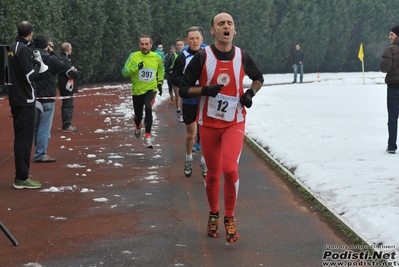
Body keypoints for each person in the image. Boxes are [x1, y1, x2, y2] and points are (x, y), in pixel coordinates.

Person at [179, 13, 264, 243]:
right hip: (208, 124)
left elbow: (259, 78)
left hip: (234, 121)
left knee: (230, 170)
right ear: (213, 31)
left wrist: (250, 93)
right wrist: (205, 90)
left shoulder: (242, 56)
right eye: (221, 23)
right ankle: (214, 213)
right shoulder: (202, 57)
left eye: (230, 23)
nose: (226, 26)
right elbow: (184, 90)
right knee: (214, 175)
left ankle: (229, 218)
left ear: (234, 31)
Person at [7, 21, 42, 189]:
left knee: (20, 137)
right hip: (26, 99)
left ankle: (21, 175)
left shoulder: (12, 47)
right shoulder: (23, 49)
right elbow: (29, 76)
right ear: (30, 34)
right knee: (24, 140)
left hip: (16, 98)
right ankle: (21, 177)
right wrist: (36, 65)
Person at [172, 26, 207, 178]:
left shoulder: (208, 53)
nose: (194, 41)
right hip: (190, 99)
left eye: (197, 38)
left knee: (206, 134)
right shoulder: (182, 56)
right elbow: (175, 78)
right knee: (191, 134)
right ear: (187, 41)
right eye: (191, 39)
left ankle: (204, 161)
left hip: (205, 98)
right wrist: (188, 82)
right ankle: (188, 158)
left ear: (202, 39)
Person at [122, 35, 164, 148]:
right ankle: (137, 126)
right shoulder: (133, 56)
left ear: (151, 45)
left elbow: (161, 69)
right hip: (137, 91)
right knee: (138, 116)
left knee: (148, 107)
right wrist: (136, 67)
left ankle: (148, 136)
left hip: (151, 89)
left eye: (146, 44)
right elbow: (124, 72)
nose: (144, 47)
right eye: (142, 44)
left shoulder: (157, 57)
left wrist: (159, 82)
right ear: (139, 45)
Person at [33, 35, 66, 162]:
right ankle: (40, 154)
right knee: (44, 127)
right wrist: (53, 52)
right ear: (47, 45)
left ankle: (39, 148)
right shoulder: (50, 58)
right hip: (47, 96)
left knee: (36, 126)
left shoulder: (29, 55)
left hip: (34, 95)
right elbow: (62, 65)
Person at [380, 26, 399, 154]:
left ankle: (392, 146)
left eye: (391, 34)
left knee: (393, 116)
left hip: (393, 87)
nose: (389, 37)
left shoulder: (390, 50)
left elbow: (384, 68)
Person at [58, 42, 80, 132]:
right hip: (66, 86)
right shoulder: (64, 59)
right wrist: (77, 73)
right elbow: (68, 72)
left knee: (67, 104)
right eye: (70, 49)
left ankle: (66, 125)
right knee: (68, 105)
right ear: (68, 50)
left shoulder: (63, 58)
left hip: (65, 85)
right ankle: (67, 125)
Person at [173, 38, 185, 122]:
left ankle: (182, 113)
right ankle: (178, 110)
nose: (179, 46)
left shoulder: (186, 54)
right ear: (176, 46)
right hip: (175, 77)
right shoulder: (173, 55)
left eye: (181, 45)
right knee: (177, 96)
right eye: (178, 45)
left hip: (183, 78)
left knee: (183, 96)